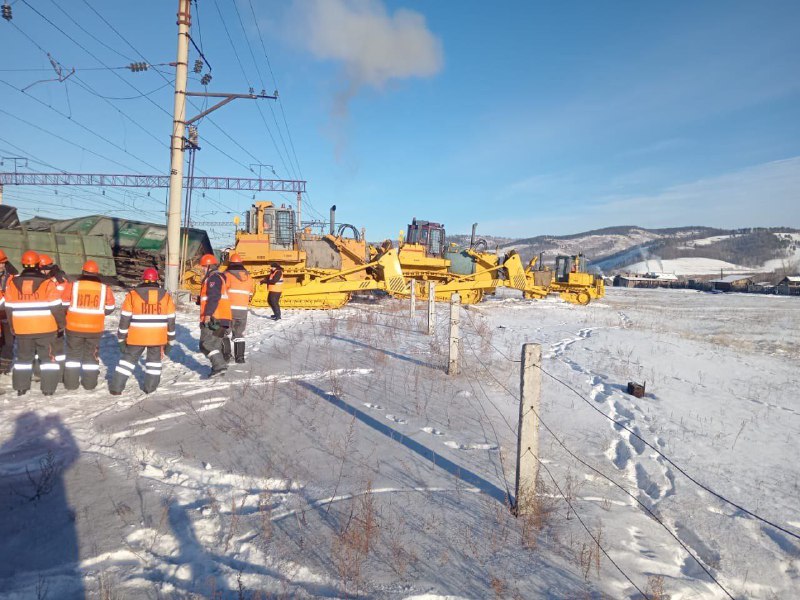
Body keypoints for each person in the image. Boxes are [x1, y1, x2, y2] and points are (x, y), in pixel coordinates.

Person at [0, 250, 65, 396]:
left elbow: (9, 309)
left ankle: (21, 388)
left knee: (23, 359)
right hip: (46, 329)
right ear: (37, 264)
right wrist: (61, 325)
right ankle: (48, 390)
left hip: (23, 330)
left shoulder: (12, 284)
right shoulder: (47, 283)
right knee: (48, 359)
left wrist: (13, 327)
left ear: (23, 264)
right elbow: (56, 307)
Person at [109, 268, 175, 395]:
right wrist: (170, 341)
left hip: (136, 337)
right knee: (154, 364)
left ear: (143, 279)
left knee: (126, 362)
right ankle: (150, 388)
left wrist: (121, 338)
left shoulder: (133, 295)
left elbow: (125, 319)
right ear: (157, 280)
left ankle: (116, 388)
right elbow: (171, 321)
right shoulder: (166, 297)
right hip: (157, 338)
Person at [61, 260, 116, 390]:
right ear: (97, 273)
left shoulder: (73, 285)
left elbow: (63, 304)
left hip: (73, 328)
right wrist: (98, 313)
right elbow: (110, 307)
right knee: (91, 356)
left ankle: (70, 384)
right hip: (94, 329)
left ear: (83, 271)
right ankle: (90, 384)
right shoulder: (104, 288)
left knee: (73, 357)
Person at [198, 253, 232, 376]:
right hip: (223, 318)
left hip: (214, 319)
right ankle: (219, 369)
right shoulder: (220, 277)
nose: (201, 269)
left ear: (208, 266)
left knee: (206, 344)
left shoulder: (213, 278)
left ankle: (219, 366)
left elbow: (214, 297)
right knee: (215, 344)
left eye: (203, 266)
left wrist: (207, 314)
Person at [39, 254, 69, 376]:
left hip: (56, 317)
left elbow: (64, 298)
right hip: (46, 317)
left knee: (57, 346)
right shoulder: (54, 278)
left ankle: (58, 373)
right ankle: (42, 370)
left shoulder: (60, 280)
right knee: (45, 347)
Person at [223, 253, 253, 363]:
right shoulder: (248, 276)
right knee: (239, 333)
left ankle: (226, 356)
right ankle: (240, 358)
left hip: (228, 309)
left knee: (223, 332)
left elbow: (221, 290)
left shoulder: (227, 275)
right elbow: (251, 292)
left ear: (230, 263)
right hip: (242, 310)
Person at [0, 249, 18, 375]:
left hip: (7, 315)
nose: (2, 265)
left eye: (3, 263)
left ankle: (4, 368)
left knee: (9, 343)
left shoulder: (12, 277)